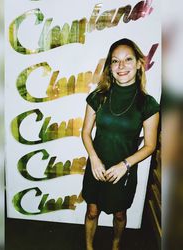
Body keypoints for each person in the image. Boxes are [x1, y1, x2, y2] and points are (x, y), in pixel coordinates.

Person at [81, 38, 160, 250]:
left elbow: (150, 145)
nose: (121, 66)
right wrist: (95, 160)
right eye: (115, 61)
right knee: (92, 211)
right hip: (96, 166)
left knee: (119, 214)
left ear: (138, 64)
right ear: (110, 67)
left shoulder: (148, 103)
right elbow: (86, 132)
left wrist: (124, 165)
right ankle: (89, 247)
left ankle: (116, 246)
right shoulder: (98, 97)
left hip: (123, 169)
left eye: (127, 60)